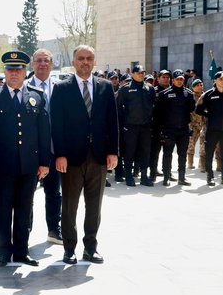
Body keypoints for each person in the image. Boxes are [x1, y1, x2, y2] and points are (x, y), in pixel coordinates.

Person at [0, 51, 50, 267]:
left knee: (24, 209)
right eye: (10, 69)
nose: (14, 73)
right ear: (5, 72)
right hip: (2, 166)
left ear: (25, 72)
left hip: (29, 165)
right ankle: (3, 251)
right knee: (3, 210)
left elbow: (44, 132)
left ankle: (21, 251)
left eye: (18, 69)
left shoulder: (37, 95)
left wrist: (44, 162)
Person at [50, 45, 118, 265]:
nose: (85, 62)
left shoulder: (105, 87)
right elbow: (56, 125)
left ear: (94, 62)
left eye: (89, 58)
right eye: (81, 58)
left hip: (98, 157)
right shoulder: (61, 88)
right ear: (74, 61)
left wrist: (113, 152)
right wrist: (59, 154)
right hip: (71, 158)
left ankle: (90, 248)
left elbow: (112, 122)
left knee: (94, 206)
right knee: (69, 206)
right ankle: (69, 248)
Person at [29, 49, 62, 245]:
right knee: (27, 194)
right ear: (33, 64)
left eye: (46, 61)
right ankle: (26, 229)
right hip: (31, 152)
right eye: (39, 61)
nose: (42, 64)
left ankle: (53, 229)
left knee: (54, 193)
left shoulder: (60, 88)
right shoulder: (24, 87)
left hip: (53, 150)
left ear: (52, 64)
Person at [195, 71, 223, 186]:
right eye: (221, 79)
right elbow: (198, 109)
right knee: (209, 153)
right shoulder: (208, 95)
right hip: (212, 129)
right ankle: (210, 177)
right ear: (215, 80)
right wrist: (209, 115)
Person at [116, 65, 155, 187]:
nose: (141, 74)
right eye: (138, 72)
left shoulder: (149, 88)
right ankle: (128, 175)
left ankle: (144, 176)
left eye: (143, 72)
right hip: (131, 126)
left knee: (145, 151)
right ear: (132, 74)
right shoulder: (125, 89)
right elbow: (118, 108)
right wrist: (124, 124)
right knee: (130, 152)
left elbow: (154, 106)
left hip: (146, 126)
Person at [155, 70, 196, 186]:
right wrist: (161, 131)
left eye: (181, 79)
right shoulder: (165, 94)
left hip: (183, 129)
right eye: (177, 79)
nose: (179, 81)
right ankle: (166, 177)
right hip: (169, 129)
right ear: (173, 80)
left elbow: (192, 110)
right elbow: (158, 114)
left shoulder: (189, 94)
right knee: (167, 154)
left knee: (182, 154)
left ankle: (182, 177)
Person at [187, 79, 206, 171]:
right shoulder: (190, 97)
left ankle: (202, 164)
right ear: (193, 87)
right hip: (193, 124)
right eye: (197, 85)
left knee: (204, 145)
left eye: (201, 85)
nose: (200, 86)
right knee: (191, 144)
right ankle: (190, 163)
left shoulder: (206, 96)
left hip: (203, 124)